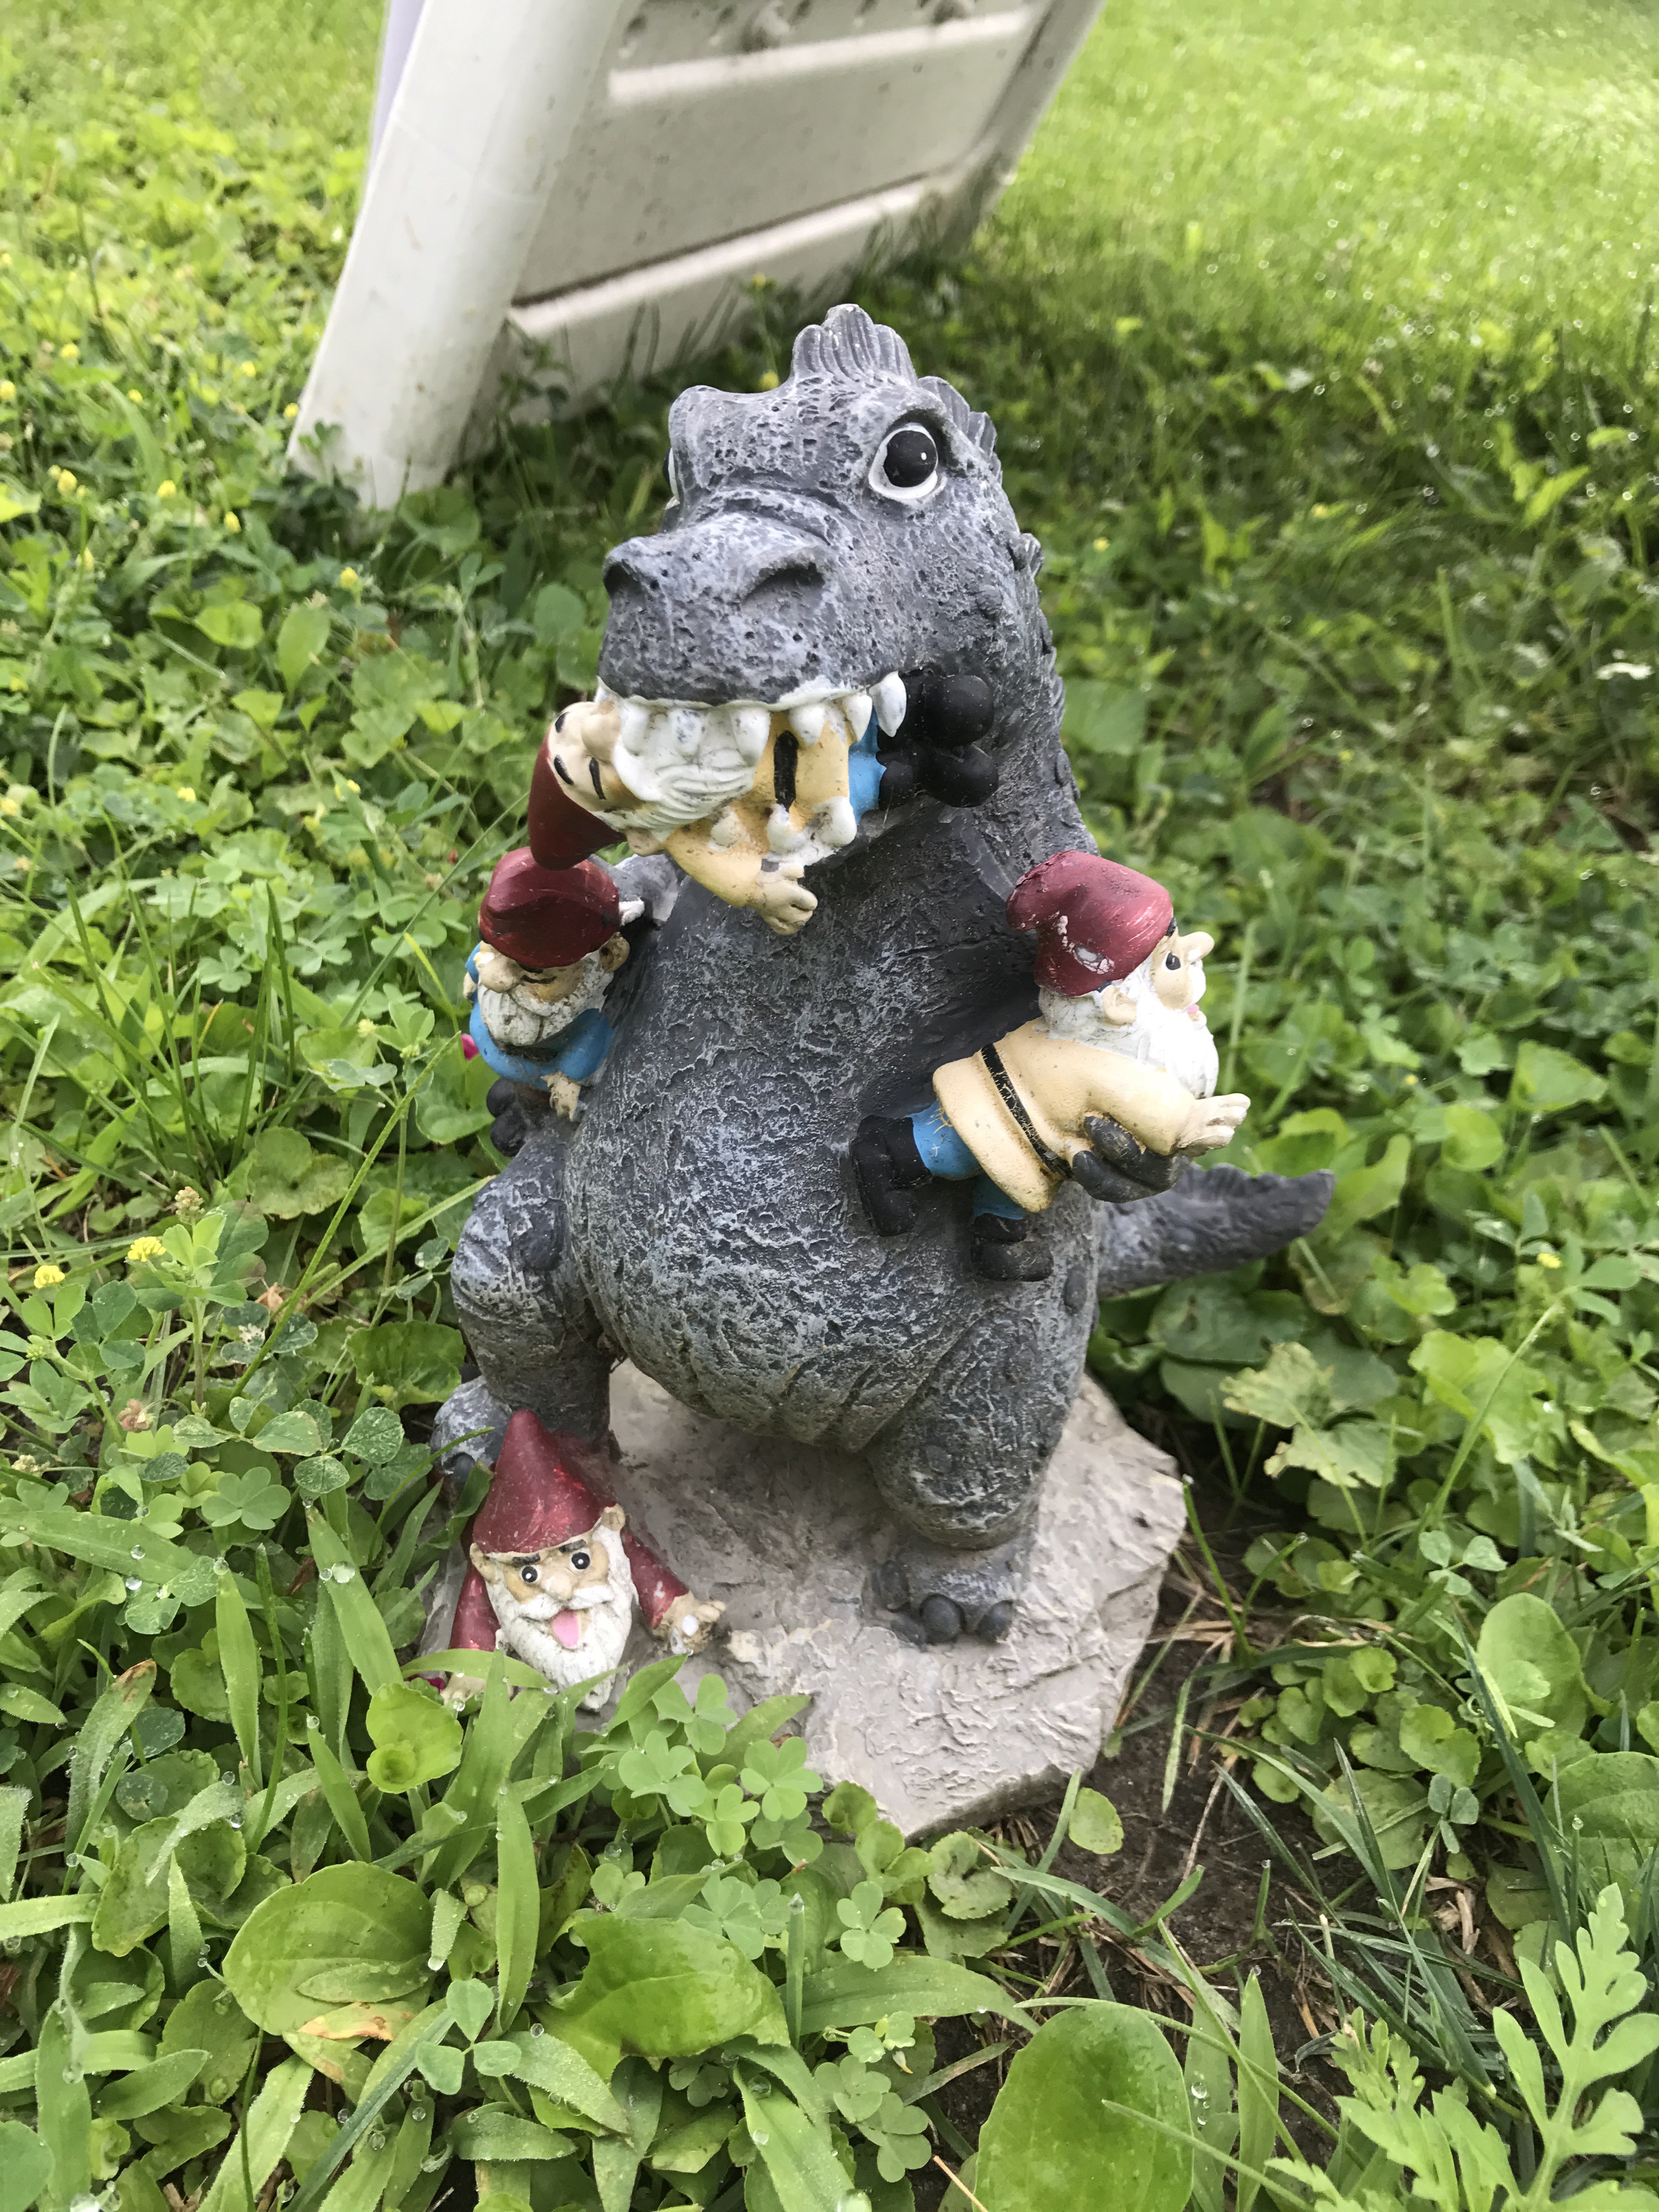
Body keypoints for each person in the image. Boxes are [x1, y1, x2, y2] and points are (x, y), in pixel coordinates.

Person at [853, 851, 1250, 1280]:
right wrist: (1186, 1125)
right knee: (952, 1151)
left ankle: (998, 1241)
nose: (1198, 948)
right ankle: (885, 1153)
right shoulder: (1111, 1066)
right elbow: (1146, 1103)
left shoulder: (1126, 1041)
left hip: (1042, 1143)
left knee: (1017, 1184)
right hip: (999, 1114)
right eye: (1172, 960)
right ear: (1119, 1003)